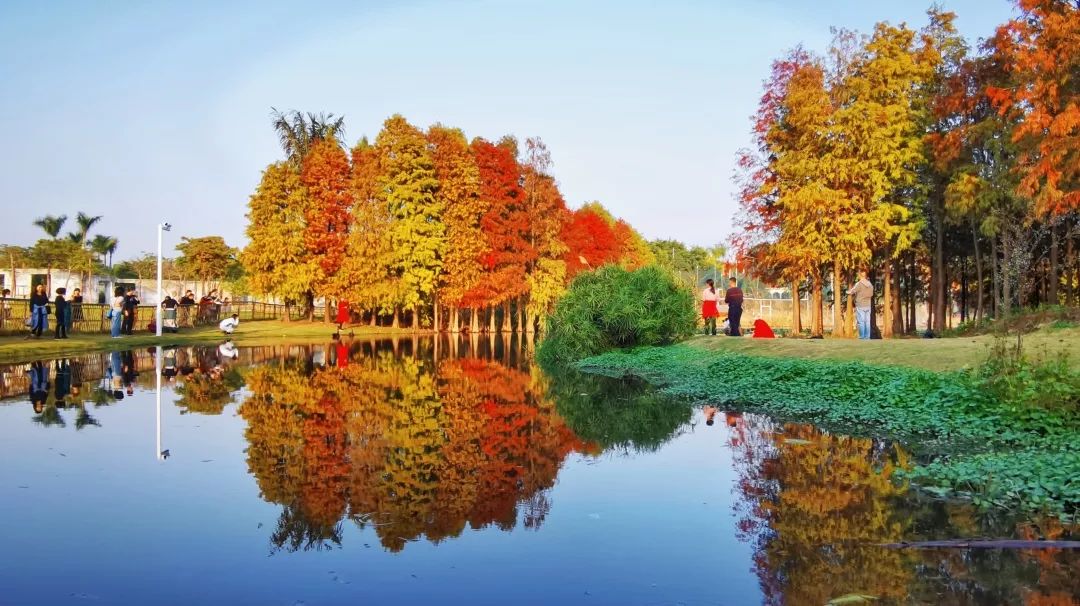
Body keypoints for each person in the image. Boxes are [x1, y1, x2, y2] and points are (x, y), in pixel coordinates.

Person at [848, 269, 874, 340]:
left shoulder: (859, 284)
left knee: (861, 321)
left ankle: (862, 336)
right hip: (868, 305)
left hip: (860, 305)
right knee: (867, 321)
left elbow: (853, 291)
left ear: (860, 275)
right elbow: (871, 294)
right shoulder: (870, 284)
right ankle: (867, 337)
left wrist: (848, 292)